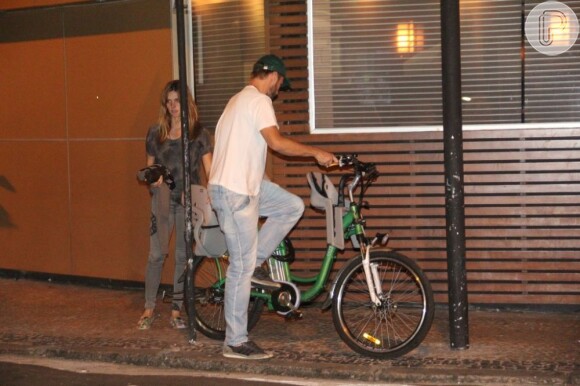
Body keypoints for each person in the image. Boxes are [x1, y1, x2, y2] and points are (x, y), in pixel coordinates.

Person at [208, 54, 337, 359]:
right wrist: (316, 153)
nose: (279, 88)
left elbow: (243, 150)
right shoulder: (259, 101)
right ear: (273, 76)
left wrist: (263, 181)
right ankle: (235, 341)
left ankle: (256, 261)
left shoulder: (236, 101)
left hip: (243, 186)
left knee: (291, 206)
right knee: (239, 268)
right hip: (235, 192)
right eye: (280, 82)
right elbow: (277, 143)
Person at [137, 80, 213, 330]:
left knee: (183, 256)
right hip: (162, 200)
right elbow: (148, 171)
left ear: (186, 102)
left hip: (187, 201)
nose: (172, 106)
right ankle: (149, 308)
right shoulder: (156, 133)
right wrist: (153, 182)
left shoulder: (198, 134)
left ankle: (176, 311)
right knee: (156, 254)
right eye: (168, 101)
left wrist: (208, 198)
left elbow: (209, 171)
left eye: (177, 101)